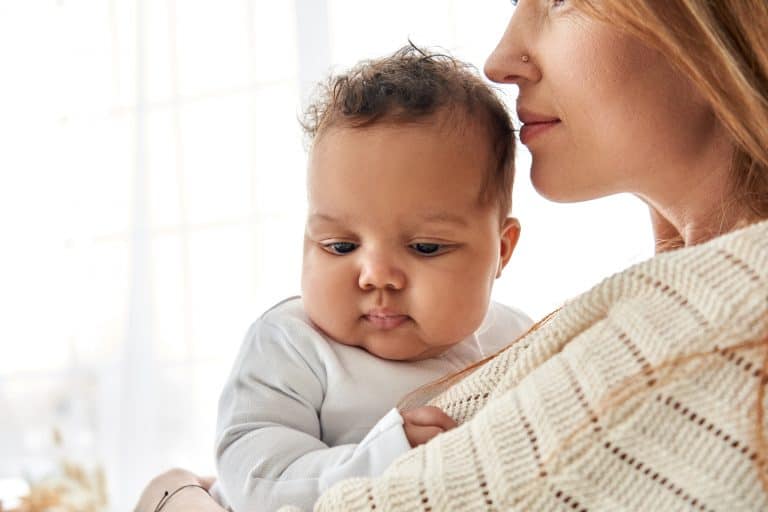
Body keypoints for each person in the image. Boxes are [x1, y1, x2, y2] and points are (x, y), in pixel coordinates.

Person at [134, 0, 768, 510]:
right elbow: (256, 470)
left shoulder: (710, 337)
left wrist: (170, 496)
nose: (500, 59)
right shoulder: (294, 343)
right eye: (338, 244)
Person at [211, 46, 531, 512]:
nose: (376, 276)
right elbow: (253, 479)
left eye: (425, 247)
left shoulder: (519, 342)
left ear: (501, 250)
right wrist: (379, 461)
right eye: (340, 246)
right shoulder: (292, 344)